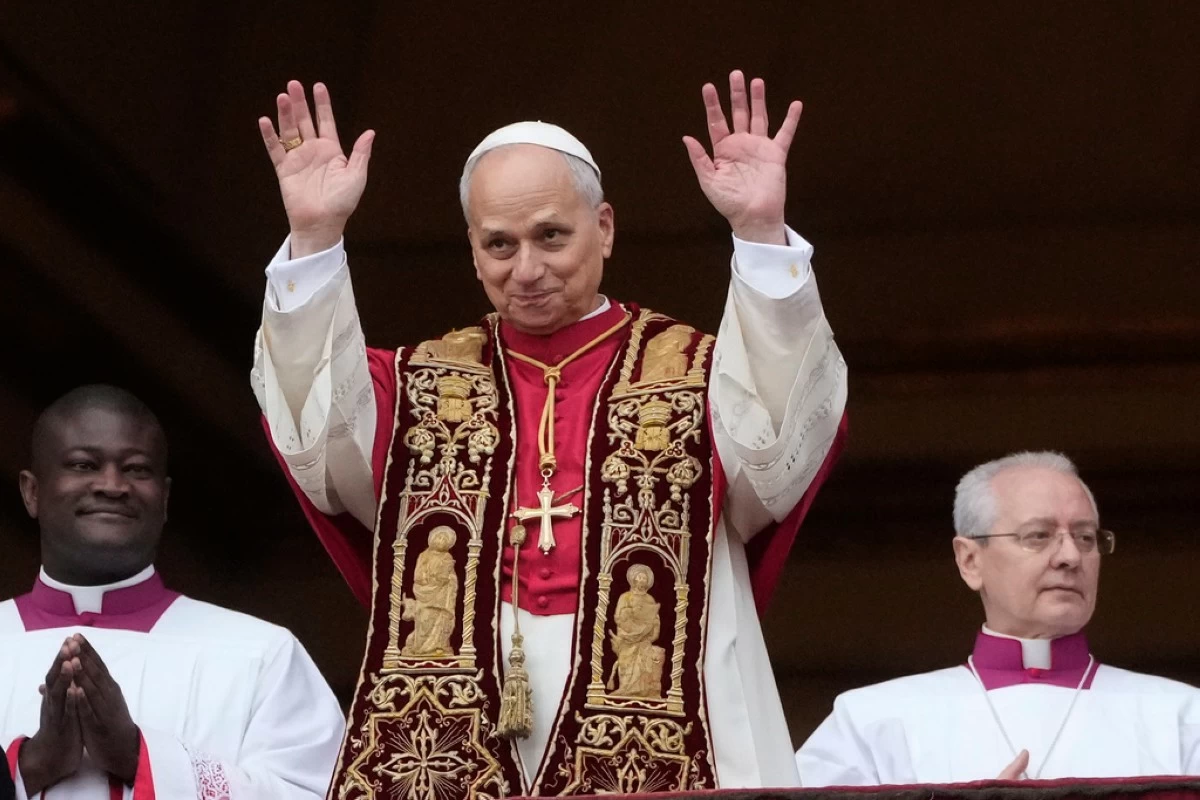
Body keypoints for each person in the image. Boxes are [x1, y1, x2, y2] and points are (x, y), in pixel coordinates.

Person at [252, 71, 848, 795]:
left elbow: (781, 444)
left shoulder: (698, 373)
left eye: (551, 236)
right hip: (459, 690)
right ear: (472, 252)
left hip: (660, 686)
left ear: (603, 228)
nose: (526, 269)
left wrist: (759, 236)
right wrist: (315, 240)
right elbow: (317, 437)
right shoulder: (413, 385)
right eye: (499, 245)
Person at [0, 385, 345, 799]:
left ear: (164, 499)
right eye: (83, 464)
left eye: (136, 469)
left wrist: (139, 756)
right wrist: (29, 767)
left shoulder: (262, 655)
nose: (112, 485)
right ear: (31, 492)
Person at [796, 451, 1200, 785]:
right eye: (1038, 536)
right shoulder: (872, 721)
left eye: (1085, 537)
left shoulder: (1183, 717)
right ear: (970, 560)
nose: (1070, 557)